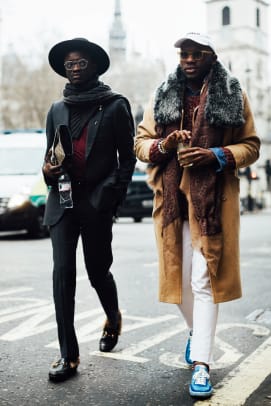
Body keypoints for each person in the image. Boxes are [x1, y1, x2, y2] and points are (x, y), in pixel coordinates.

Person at [135, 32, 260, 398]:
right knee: (179, 284)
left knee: (203, 282)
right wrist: (165, 144)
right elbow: (140, 144)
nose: (188, 59)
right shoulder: (161, 93)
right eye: (183, 53)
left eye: (196, 53)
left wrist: (215, 155)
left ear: (211, 56)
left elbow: (250, 146)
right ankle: (196, 333)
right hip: (172, 203)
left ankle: (202, 363)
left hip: (213, 203)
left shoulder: (232, 93)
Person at [42, 37, 136, 382]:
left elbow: (127, 159)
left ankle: (112, 316)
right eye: (70, 64)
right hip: (62, 202)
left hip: (96, 201)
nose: (75, 68)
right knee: (62, 274)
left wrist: (111, 196)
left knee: (98, 271)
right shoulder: (57, 109)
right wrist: (47, 172)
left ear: (94, 66)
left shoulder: (114, 105)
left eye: (81, 63)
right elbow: (49, 156)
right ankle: (69, 356)